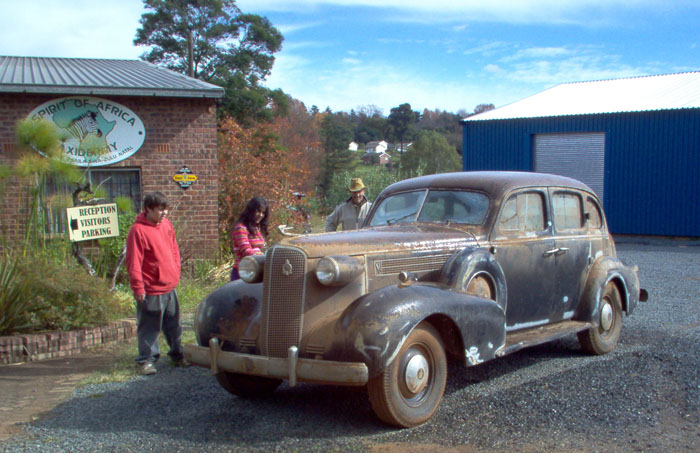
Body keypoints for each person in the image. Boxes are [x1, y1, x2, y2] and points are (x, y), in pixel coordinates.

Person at [126, 191, 189, 375]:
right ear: (148, 209)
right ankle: (146, 360)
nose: (164, 213)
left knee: (174, 324)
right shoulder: (137, 231)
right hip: (151, 288)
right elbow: (134, 261)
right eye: (160, 209)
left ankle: (177, 355)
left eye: (165, 209)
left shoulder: (166, 225)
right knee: (150, 326)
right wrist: (138, 287)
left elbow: (174, 249)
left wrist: (176, 270)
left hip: (169, 286)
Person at [231, 197, 269, 281]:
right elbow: (247, 251)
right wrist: (266, 259)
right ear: (251, 210)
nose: (261, 215)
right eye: (258, 211)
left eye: (263, 212)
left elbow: (259, 249)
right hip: (243, 272)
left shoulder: (256, 228)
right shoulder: (240, 228)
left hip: (256, 271)